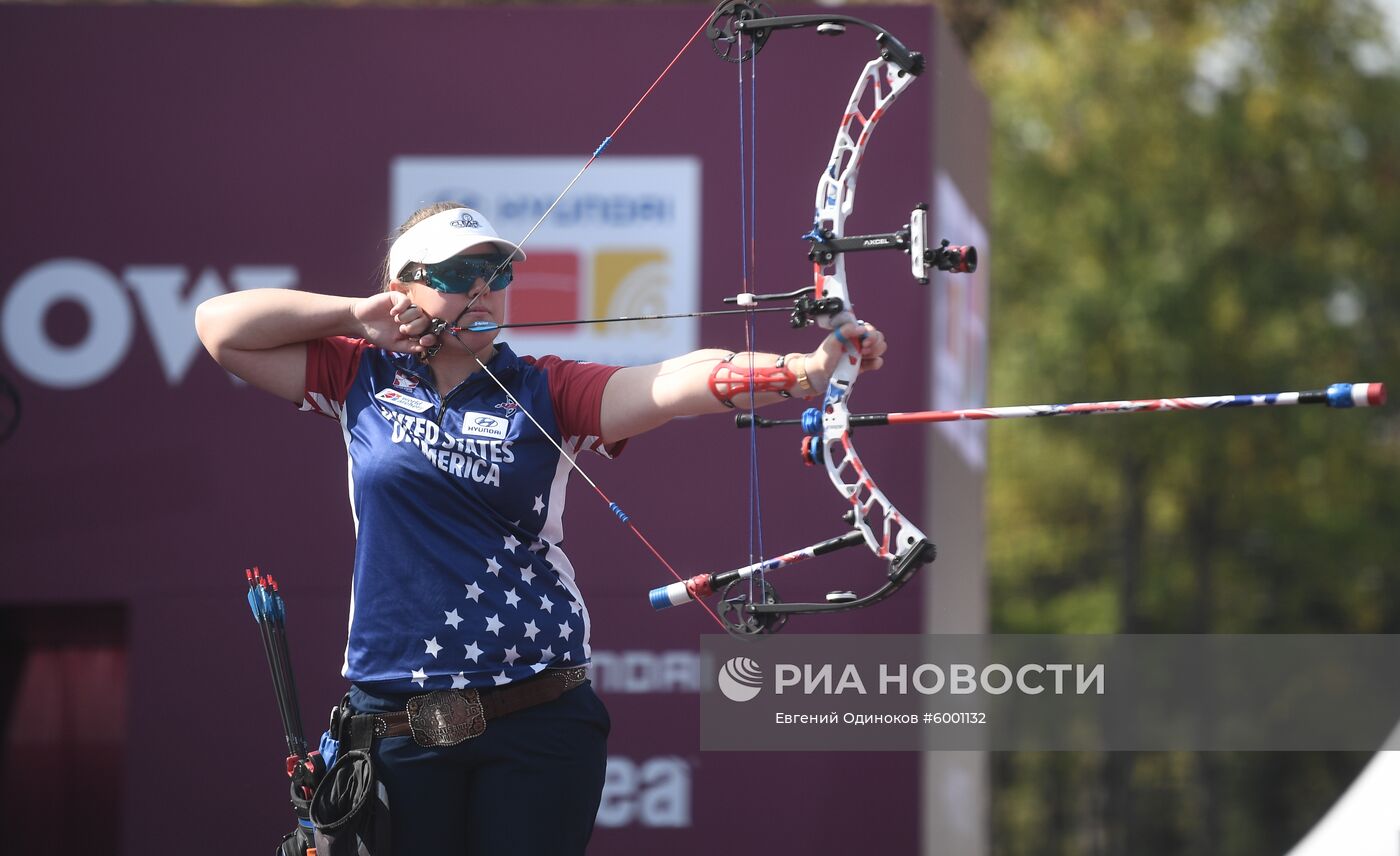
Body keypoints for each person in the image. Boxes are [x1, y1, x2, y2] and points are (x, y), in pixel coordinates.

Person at [195, 202, 887, 855]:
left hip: (537, 716)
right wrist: (355, 316)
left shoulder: (543, 389)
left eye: (497, 275)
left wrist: (804, 370)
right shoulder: (359, 376)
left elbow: (670, 381)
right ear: (401, 290)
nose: (484, 290)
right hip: (398, 720)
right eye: (458, 276)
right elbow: (218, 327)